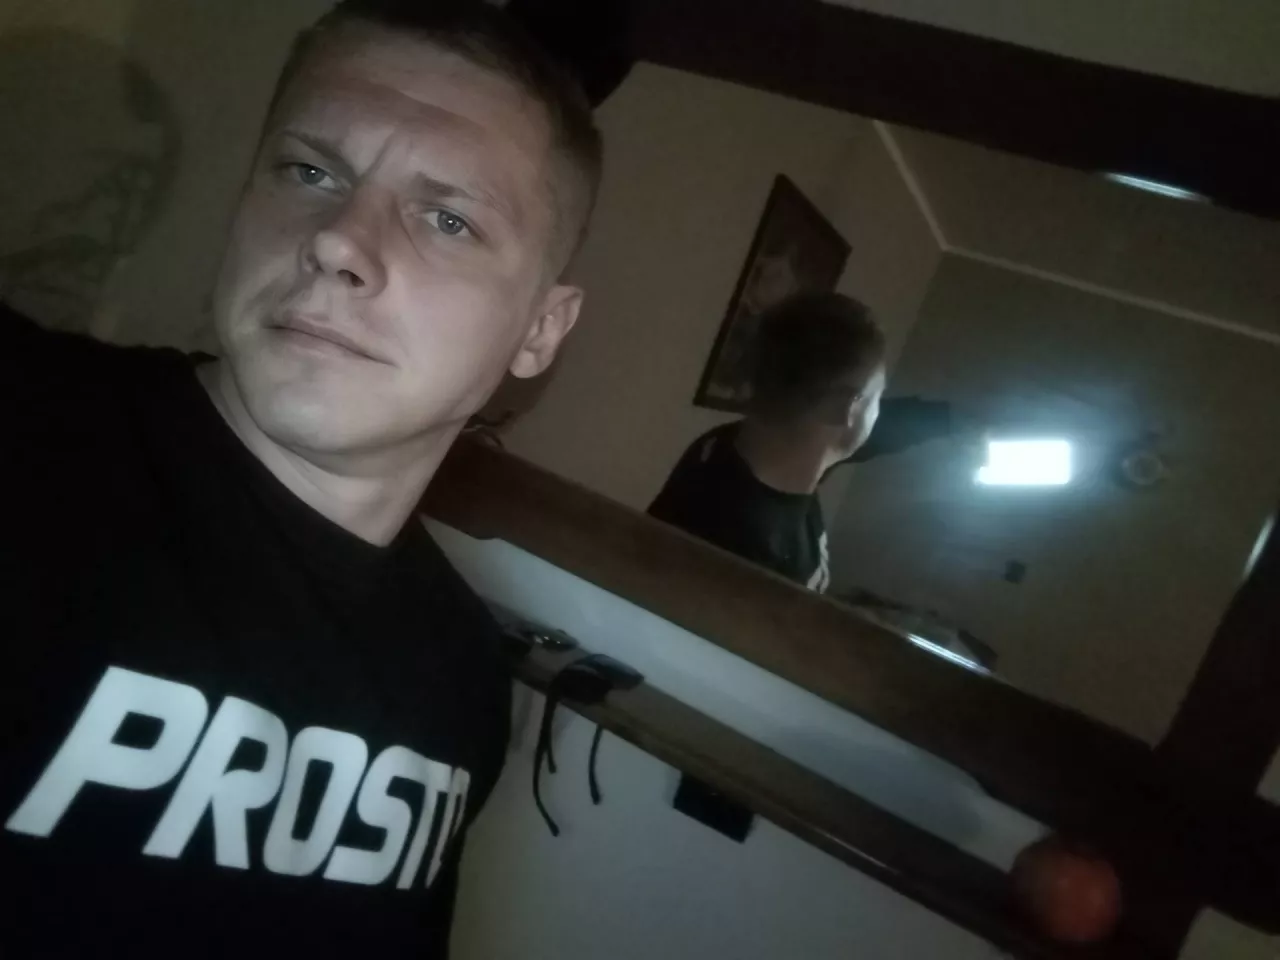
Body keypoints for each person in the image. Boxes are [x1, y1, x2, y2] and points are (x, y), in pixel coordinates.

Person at [1, 2, 600, 956]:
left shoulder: (460, 679)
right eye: (310, 171)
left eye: (449, 219)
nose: (338, 242)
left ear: (541, 329)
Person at [650, 292, 887, 591]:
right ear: (848, 407)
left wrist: (940, 418)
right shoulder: (746, 552)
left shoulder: (728, 445)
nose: (879, 412)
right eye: (878, 397)